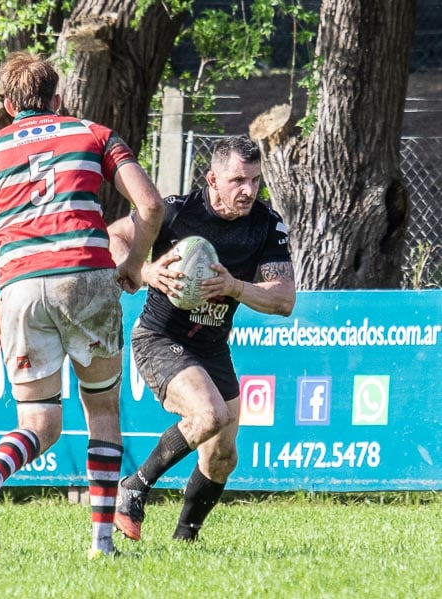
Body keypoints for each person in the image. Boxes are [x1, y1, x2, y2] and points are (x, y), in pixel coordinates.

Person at [0, 51, 165, 560]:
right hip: (86, 277)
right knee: (103, 411)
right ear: (58, 98)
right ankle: (101, 544)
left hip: (20, 289)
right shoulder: (93, 133)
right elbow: (151, 205)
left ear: (8, 105)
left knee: (39, 425)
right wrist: (134, 264)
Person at [107, 135, 296, 542]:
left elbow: (284, 299)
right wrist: (144, 270)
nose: (248, 190)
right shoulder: (176, 212)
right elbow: (114, 236)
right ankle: (134, 487)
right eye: (238, 180)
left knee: (223, 455)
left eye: (255, 180)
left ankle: (185, 539)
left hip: (212, 346)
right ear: (212, 179)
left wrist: (235, 287)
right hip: (159, 337)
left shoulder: (266, 224)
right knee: (209, 415)